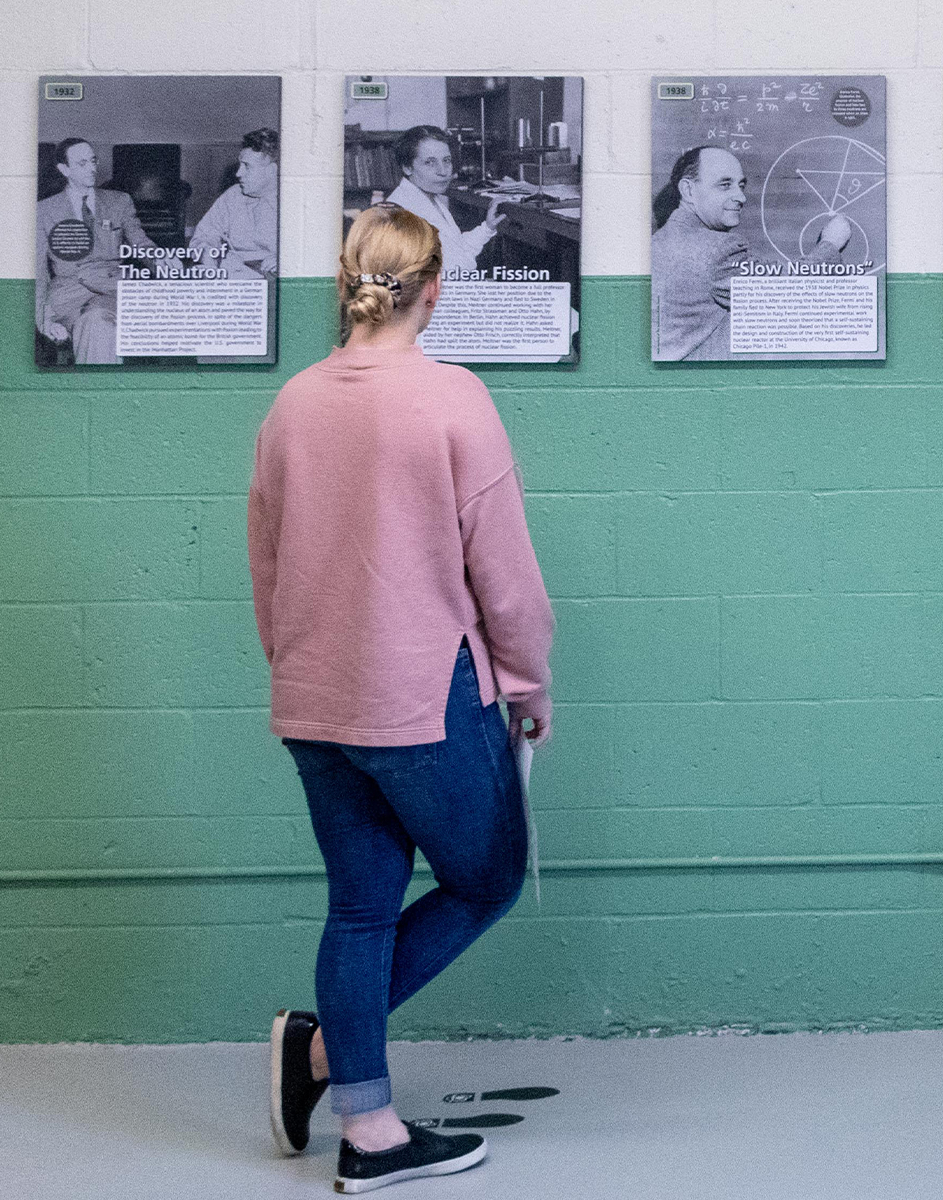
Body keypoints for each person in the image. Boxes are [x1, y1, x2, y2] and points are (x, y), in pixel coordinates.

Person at [249, 205, 553, 1193]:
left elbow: (268, 561)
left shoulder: (292, 403)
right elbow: (502, 572)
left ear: (348, 286)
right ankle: (330, 1060)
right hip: (424, 696)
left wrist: (297, 664)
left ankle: (366, 1122)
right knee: (488, 878)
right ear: (435, 290)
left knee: (361, 910)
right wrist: (528, 677)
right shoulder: (453, 398)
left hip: (312, 696)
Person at [648, 145, 851, 360]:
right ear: (688, 190)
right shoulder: (717, 251)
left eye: (741, 185)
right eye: (725, 185)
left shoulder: (656, 242)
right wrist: (830, 244)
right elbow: (790, 292)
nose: (741, 197)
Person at [35, 137, 157, 364]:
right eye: (82, 164)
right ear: (64, 169)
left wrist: (162, 261)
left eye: (93, 161)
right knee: (96, 326)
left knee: (98, 324)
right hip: (67, 297)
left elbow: (141, 244)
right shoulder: (44, 211)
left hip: (112, 291)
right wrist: (44, 321)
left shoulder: (119, 201)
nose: (92, 168)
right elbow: (39, 272)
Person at [380, 125, 503, 276]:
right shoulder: (403, 213)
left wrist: (487, 227)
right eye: (430, 162)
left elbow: (455, 250)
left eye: (446, 160)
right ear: (407, 167)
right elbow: (452, 270)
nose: (443, 171)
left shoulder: (429, 197)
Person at [191, 128, 281, 280]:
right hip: (235, 273)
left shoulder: (296, 201)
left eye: (247, 166)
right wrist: (213, 257)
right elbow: (202, 238)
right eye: (240, 165)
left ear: (272, 171)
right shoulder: (233, 195)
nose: (238, 173)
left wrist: (287, 261)